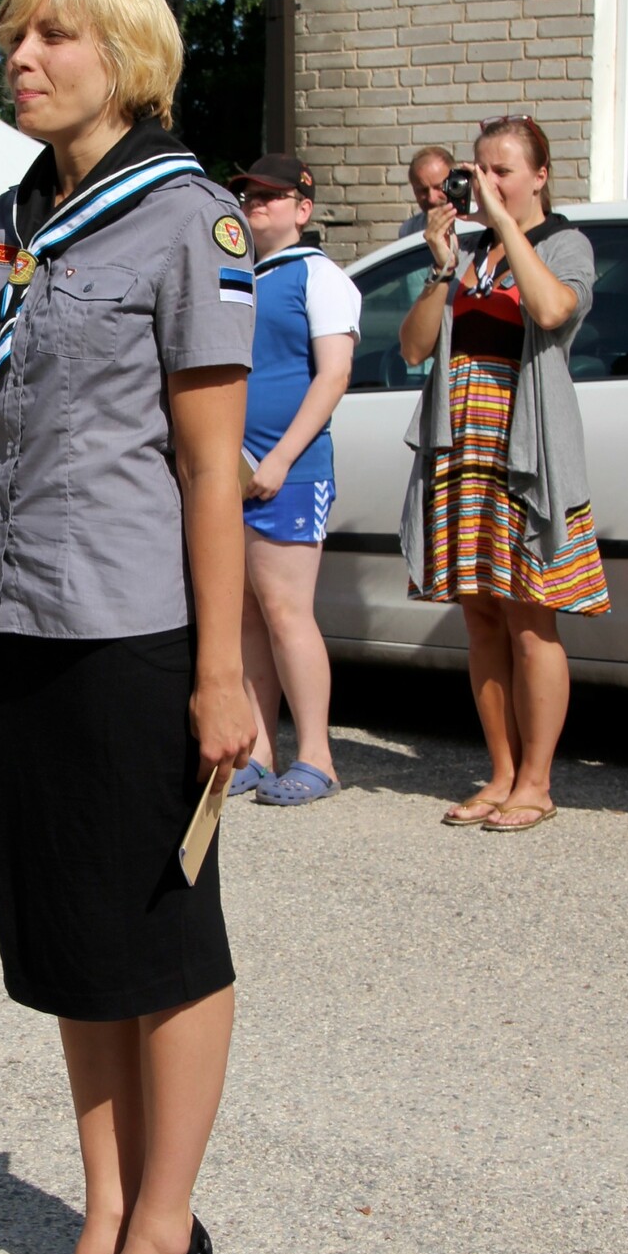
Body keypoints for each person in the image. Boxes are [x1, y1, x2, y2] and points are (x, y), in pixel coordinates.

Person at [0, 0, 256, 1254]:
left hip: (132, 626)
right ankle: (105, 1204)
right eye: (15, 35)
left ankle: (167, 1228)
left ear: (126, 57)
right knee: (69, 931)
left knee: (161, 932)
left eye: (53, 36)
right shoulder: (12, 218)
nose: (21, 57)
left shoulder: (188, 223)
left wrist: (221, 670)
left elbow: (208, 469)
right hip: (6, 616)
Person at [397, 115, 609, 831]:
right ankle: (501, 772)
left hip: (526, 453)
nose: (485, 183)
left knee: (529, 617)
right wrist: (440, 267)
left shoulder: (564, 244)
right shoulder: (466, 253)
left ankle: (537, 783)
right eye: (477, 170)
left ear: (540, 176)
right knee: (481, 614)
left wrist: (505, 227)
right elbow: (413, 348)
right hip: (462, 449)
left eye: (502, 172)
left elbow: (551, 310)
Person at [226, 153, 361, 806]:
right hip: (235, 472)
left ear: (303, 209)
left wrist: (279, 459)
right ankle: (259, 750)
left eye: (271, 196)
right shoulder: (240, 275)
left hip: (290, 473)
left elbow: (334, 375)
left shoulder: (319, 275)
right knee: (246, 614)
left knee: (286, 612)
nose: (256, 203)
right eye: (249, 194)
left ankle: (317, 757)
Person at [398, 144, 457, 237]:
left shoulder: (477, 224)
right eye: (423, 190)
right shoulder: (409, 231)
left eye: (439, 187)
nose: (431, 199)